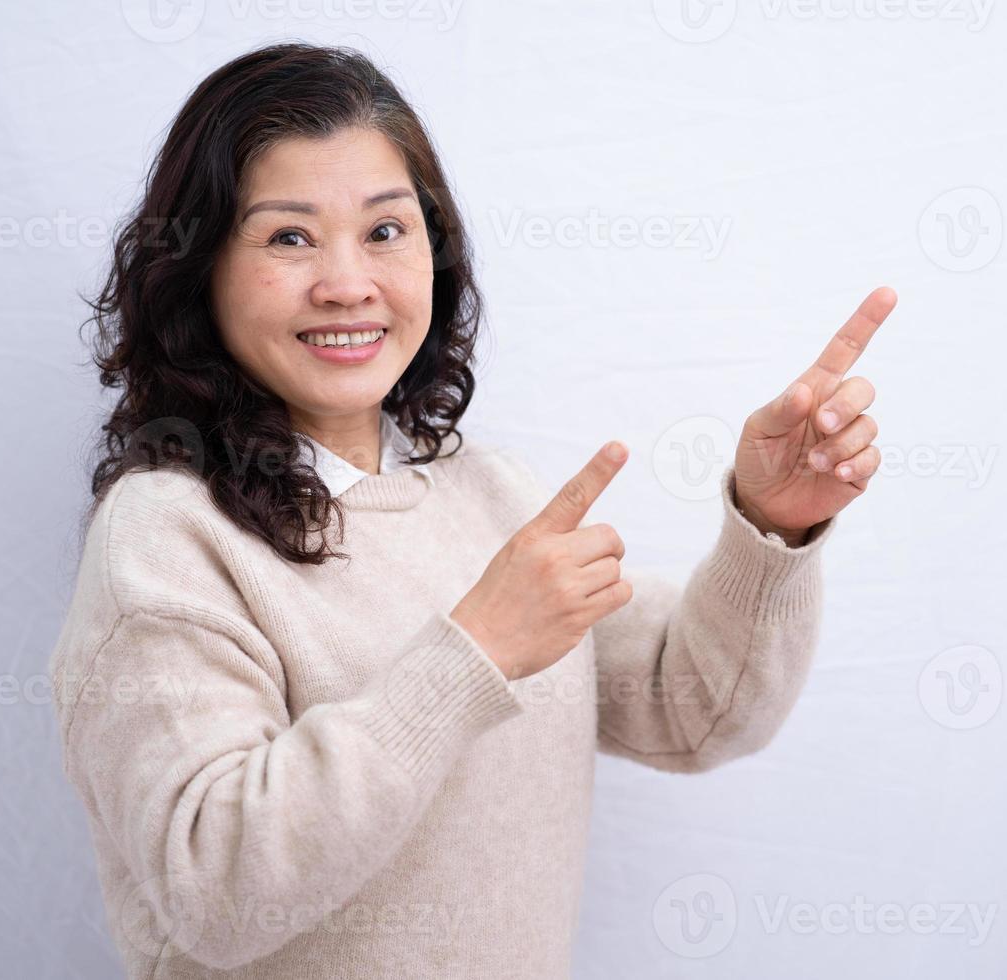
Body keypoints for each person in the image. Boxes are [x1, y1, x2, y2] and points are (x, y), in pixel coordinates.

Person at [49, 41, 893, 979]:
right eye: (289, 237)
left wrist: (769, 528)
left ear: (435, 254)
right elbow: (213, 890)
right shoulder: (167, 536)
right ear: (198, 267)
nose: (346, 282)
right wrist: (473, 654)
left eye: (385, 231)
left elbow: (693, 711)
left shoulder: (491, 498)